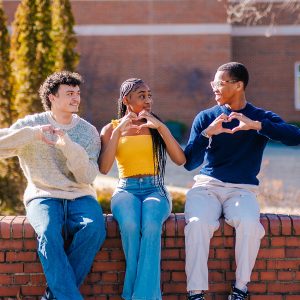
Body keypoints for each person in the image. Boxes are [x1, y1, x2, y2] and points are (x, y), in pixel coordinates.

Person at [184, 62, 300, 300]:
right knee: (197, 224)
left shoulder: (261, 117)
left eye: (219, 83)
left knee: (249, 224)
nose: (214, 88)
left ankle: (240, 289)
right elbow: (189, 162)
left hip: (242, 191)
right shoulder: (206, 117)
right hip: (207, 187)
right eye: (213, 83)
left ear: (238, 85)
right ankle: (195, 293)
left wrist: (257, 126)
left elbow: (294, 136)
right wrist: (208, 134)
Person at [0, 71, 106, 300]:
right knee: (48, 233)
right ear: (52, 97)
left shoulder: (87, 132)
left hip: (80, 195)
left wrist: (67, 146)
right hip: (42, 195)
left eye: (77, 93)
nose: (76, 98)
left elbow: (87, 176)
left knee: (95, 228)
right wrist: (32, 135)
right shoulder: (32, 124)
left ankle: (54, 296)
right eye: (69, 93)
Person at [98, 78, 186, 300]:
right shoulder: (110, 128)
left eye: (149, 95)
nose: (148, 100)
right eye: (141, 96)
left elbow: (179, 159)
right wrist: (119, 131)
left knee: (150, 224)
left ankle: (137, 296)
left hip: (155, 189)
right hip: (126, 189)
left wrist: (162, 128)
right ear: (127, 100)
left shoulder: (157, 127)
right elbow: (104, 168)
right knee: (129, 224)